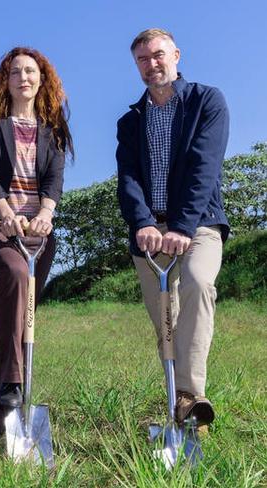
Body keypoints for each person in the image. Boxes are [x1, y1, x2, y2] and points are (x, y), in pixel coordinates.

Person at [116, 28, 230, 428]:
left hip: (198, 224)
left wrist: (181, 226)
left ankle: (187, 395)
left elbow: (205, 166)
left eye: (159, 55)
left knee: (198, 283)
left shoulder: (206, 102)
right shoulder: (131, 121)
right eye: (143, 60)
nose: (153, 64)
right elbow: (128, 178)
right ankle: (179, 403)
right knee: (166, 316)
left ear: (176, 55)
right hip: (150, 233)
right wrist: (144, 222)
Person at [0, 47, 73, 434]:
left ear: (41, 79)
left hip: (37, 237)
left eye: (31, 71)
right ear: (5, 81)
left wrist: (44, 215)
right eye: (15, 72)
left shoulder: (53, 129)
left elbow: (54, 180)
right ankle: (14, 380)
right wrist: (7, 213)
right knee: (14, 273)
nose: (23, 78)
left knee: (16, 322)